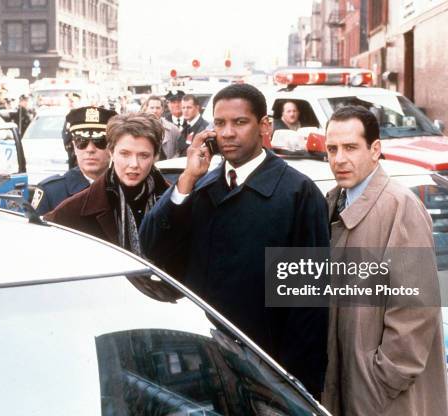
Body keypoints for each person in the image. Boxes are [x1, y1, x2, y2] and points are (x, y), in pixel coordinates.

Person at [140, 83, 330, 396]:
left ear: (264, 126)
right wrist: (186, 180)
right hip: (202, 367)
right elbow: (152, 251)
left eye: (239, 123)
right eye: (219, 123)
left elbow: (309, 306)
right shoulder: (200, 186)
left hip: (268, 376)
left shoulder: (298, 193)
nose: (227, 133)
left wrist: (296, 390)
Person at [322, 106, 448, 415]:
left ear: (375, 149)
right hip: (350, 385)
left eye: (351, 147)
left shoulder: (400, 205)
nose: (339, 159)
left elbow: (415, 310)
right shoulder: (331, 200)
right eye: (332, 149)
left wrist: (381, 380)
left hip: (386, 399)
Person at [45, 113, 169, 254]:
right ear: (111, 152)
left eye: (143, 155)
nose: (134, 164)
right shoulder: (71, 211)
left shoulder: (174, 202)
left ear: (155, 156)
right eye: (125, 154)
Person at [32, 106, 116, 216]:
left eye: (100, 142)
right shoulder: (51, 192)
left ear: (112, 148)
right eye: (81, 142)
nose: (90, 149)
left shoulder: (124, 187)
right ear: (74, 147)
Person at [143, 95, 180, 159]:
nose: (154, 111)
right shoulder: (139, 128)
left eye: (158, 108)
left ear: (162, 110)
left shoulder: (173, 129)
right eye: (152, 108)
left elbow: (179, 151)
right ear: (146, 109)